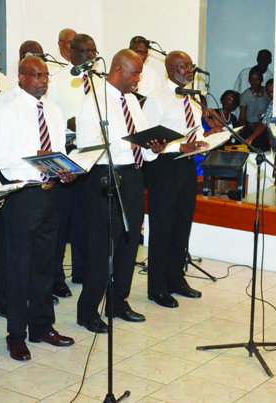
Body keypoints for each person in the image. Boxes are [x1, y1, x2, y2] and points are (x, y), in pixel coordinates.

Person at [0, 56, 76, 360]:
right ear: (21, 78)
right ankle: (16, 335)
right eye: (35, 75)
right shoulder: (7, 112)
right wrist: (34, 158)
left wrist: (63, 169)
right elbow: (1, 160)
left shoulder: (54, 110)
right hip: (22, 196)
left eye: (45, 76)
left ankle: (42, 326)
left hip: (51, 194)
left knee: (45, 264)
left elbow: (60, 151)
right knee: (18, 269)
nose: (41, 80)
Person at [75, 49, 164, 333]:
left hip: (133, 177)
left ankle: (118, 301)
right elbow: (89, 147)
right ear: (117, 70)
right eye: (134, 73)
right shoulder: (94, 102)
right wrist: (132, 145)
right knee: (102, 248)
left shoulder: (132, 102)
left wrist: (153, 148)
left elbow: (143, 138)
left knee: (129, 243)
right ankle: (87, 310)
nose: (138, 79)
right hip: (105, 179)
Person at [142, 51, 208, 308]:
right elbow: (149, 141)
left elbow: (196, 129)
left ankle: (176, 279)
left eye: (190, 66)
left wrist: (202, 142)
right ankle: (156, 287)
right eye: (182, 67)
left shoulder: (193, 99)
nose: (188, 71)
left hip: (187, 167)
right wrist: (176, 148)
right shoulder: (156, 99)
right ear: (170, 69)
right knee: (162, 227)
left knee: (182, 225)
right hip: (163, 167)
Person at [46, 33, 100, 290]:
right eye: (84, 52)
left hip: (92, 158)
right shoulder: (57, 81)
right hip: (67, 157)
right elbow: (48, 117)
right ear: (71, 52)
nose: (90, 57)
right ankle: (56, 276)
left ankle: (82, 270)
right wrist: (69, 129)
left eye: (93, 52)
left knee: (86, 221)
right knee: (61, 222)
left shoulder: (99, 82)